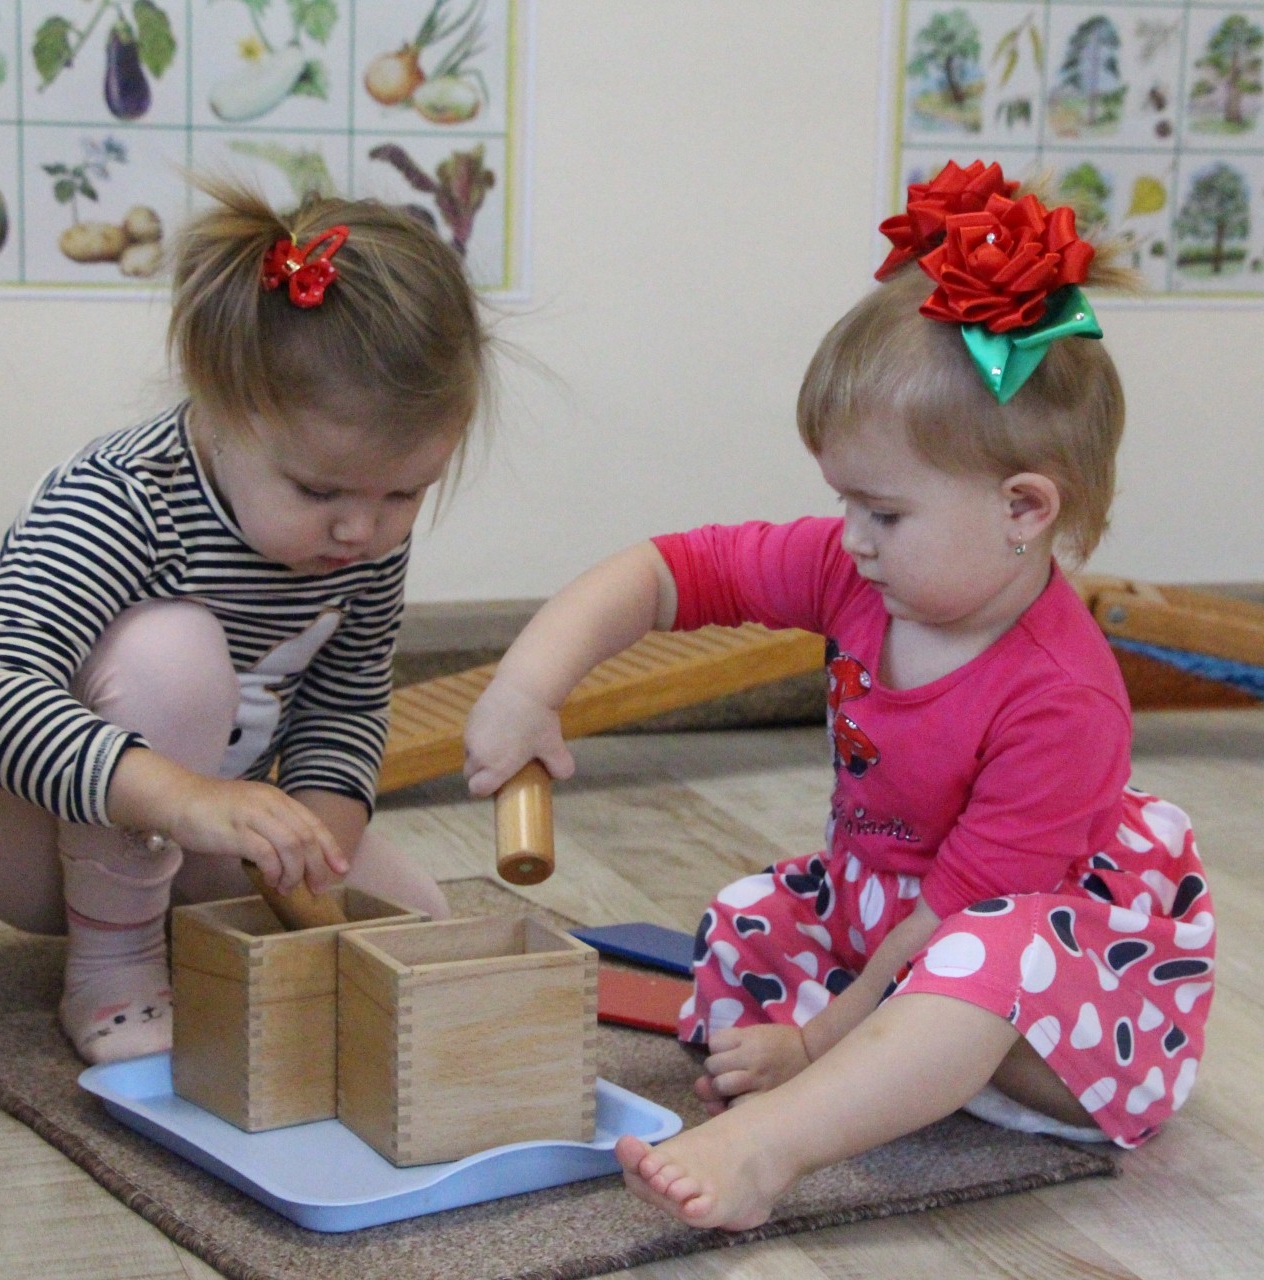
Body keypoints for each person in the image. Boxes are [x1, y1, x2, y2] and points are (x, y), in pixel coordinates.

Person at [461, 161, 1214, 1230]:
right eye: (843, 502)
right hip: (890, 927)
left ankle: (774, 1145)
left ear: (1023, 508)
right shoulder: (856, 571)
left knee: (979, 955)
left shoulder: (1063, 700)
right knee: (750, 917)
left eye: (884, 513)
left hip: (1060, 1019)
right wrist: (528, 683)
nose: (851, 537)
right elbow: (668, 571)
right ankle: (873, 1078)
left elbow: (953, 922)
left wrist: (816, 1042)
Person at [0, 177, 485, 1064]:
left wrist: (312, 852)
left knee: (417, 931)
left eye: (405, 493)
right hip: (15, 830)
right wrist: (185, 799)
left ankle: (174, 920)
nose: (360, 530)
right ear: (219, 405)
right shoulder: (121, 497)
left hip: (196, 825)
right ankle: (115, 963)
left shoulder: (360, 532)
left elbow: (346, 703)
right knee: (170, 655)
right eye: (318, 490)